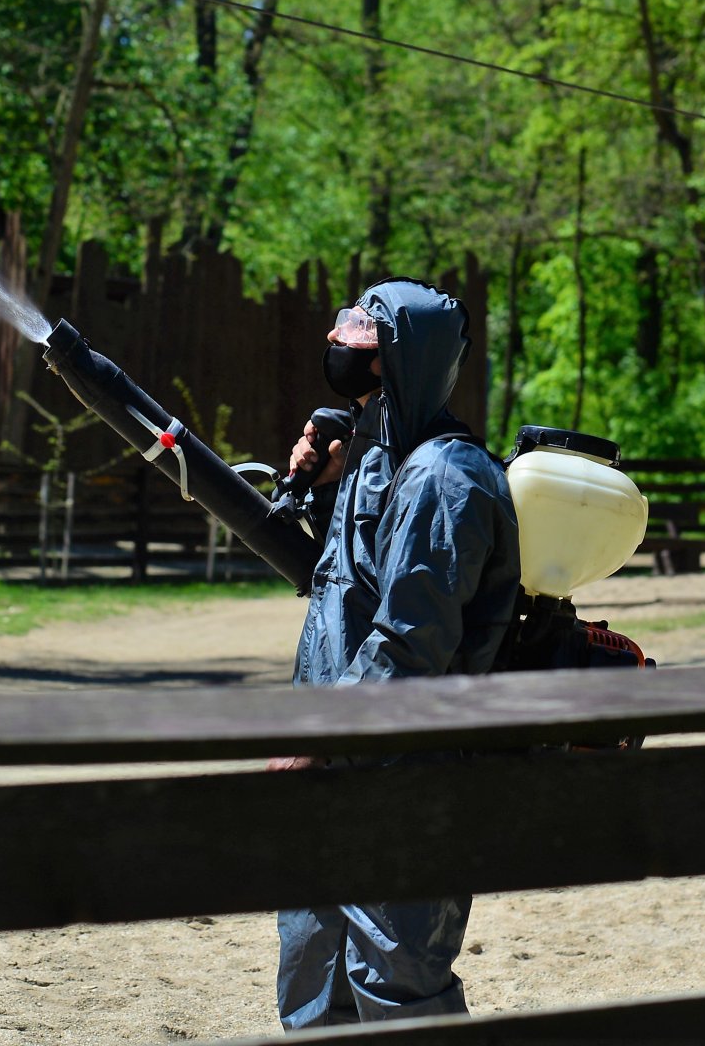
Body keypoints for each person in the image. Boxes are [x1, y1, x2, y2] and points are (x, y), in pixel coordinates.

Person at [268, 276, 522, 1032]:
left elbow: (411, 641)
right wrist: (309, 486)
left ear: (404, 359)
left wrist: (316, 738)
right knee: (313, 977)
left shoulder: (447, 479)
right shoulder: (376, 453)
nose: (339, 346)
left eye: (362, 336)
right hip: (337, 766)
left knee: (398, 983)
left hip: (408, 774)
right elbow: (341, 587)